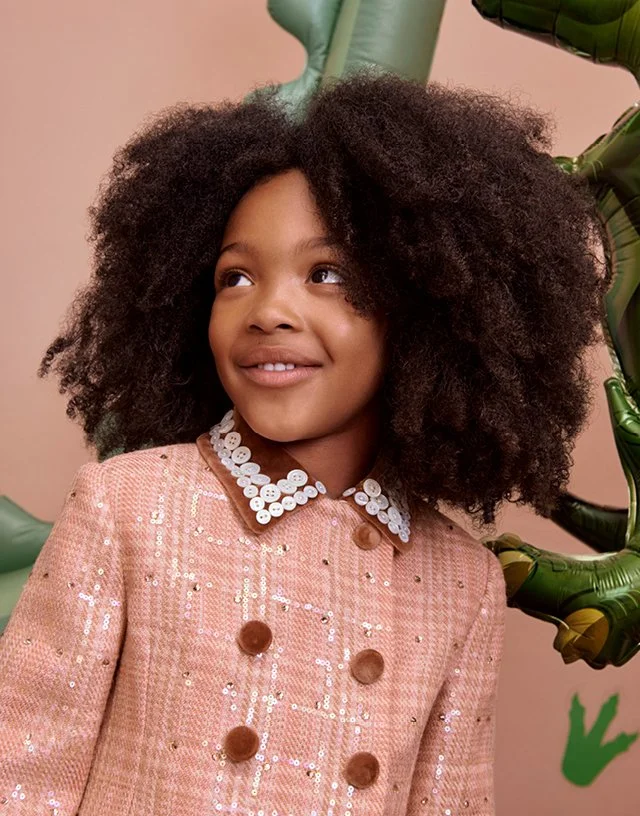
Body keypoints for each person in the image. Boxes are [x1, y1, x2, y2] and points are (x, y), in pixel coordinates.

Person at [0, 72, 607, 815]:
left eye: (325, 273)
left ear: (424, 308)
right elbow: (20, 773)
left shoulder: (463, 584)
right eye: (235, 277)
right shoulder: (126, 507)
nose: (268, 310)